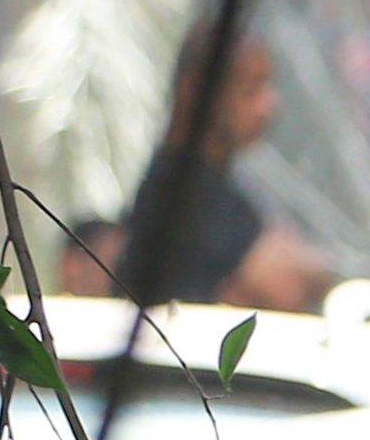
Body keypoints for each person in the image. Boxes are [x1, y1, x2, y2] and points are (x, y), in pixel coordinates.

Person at [112, 28, 333, 312]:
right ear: (195, 90)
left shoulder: (224, 192)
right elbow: (286, 284)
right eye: (250, 88)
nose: (269, 106)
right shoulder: (181, 191)